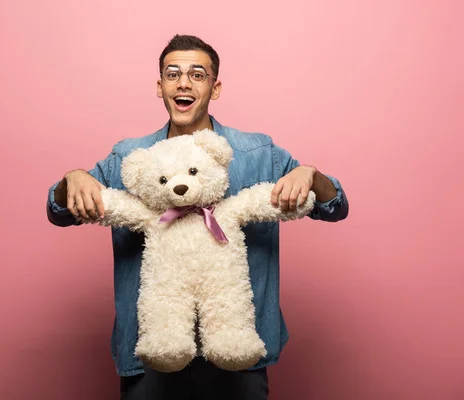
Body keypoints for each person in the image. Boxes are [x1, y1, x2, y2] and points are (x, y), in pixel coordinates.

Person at [46, 34, 349, 400]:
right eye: (173, 74)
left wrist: (310, 175)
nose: (184, 83)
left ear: (215, 87)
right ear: (160, 87)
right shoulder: (130, 158)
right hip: (153, 348)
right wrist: (72, 178)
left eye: (197, 74)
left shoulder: (257, 153)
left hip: (237, 347)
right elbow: (60, 212)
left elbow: (334, 208)